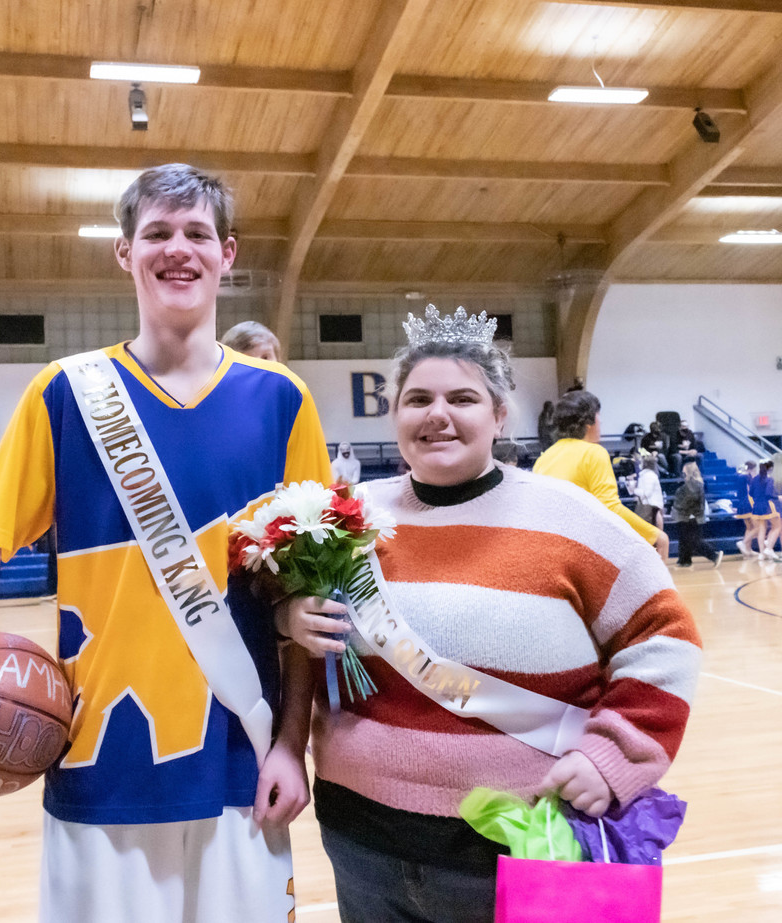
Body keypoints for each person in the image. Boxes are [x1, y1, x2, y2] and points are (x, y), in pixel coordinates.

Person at [0, 163, 332, 923]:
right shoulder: (64, 391)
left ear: (229, 254)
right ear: (125, 253)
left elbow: (306, 592)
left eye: (197, 234)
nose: (177, 248)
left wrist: (291, 741)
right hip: (97, 764)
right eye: (156, 232)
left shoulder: (283, 400)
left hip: (240, 765)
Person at [276, 306, 701, 923]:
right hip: (362, 843)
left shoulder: (572, 519)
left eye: (463, 398)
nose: (437, 414)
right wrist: (288, 617)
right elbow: (278, 624)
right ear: (394, 413)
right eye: (417, 398)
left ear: (500, 414)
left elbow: (666, 637)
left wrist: (611, 758)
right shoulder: (347, 520)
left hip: (520, 846)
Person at [532, 390, 670, 561]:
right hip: (579, 555)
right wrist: (655, 535)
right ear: (589, 422)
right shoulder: (594, 452)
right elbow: (609, 508)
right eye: (598, 415)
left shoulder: (544, 458)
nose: (601, 421)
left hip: (546, 553)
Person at [672, 461, 724, 568]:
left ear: (688, 471)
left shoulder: (693, 484)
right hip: (691, 516)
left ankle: (714, 556)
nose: (682, 471)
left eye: (684, 470)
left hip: (692, 516)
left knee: (694, 541)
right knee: (684, 538)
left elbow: (688, 501)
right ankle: (684, 560)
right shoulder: (693, 483)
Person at [748, 459, 781, 562]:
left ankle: (762, 554)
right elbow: (769, 494)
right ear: (770, 468)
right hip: (768, 506)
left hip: (757, 506)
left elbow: (751, 493)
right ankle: (769, 548)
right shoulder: (769, 479)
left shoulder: (755, 479)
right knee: (777, 526)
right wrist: (778, 497)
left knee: (762, 529)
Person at [633, 452, 665, 531]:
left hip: (650, 508)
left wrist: (635, 490)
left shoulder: (649, 475)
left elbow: (647, 493)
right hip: (648, 507)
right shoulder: (646, 475)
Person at [734, 460, 759, 557]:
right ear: (752, 469)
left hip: (742, 504)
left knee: (749, 527)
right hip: (749, 503)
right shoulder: (747, 477)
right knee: (758, 528)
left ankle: (748, 550)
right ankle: (743, 543)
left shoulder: (739, 476)